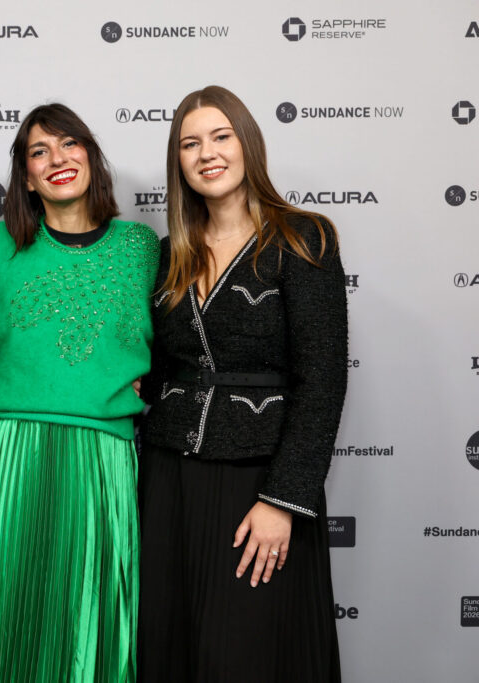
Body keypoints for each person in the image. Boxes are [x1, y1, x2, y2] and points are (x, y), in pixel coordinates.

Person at [138, 85, 347, 682]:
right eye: (190, 144)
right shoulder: (168, 254)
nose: (207, 153)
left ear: (247, 143)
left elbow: (323, 379)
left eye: (221, 136)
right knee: (168, 647)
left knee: (247, 656)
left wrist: (283, 501)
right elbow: (154, 369)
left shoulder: (303, 238)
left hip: (258, 481)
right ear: (178, 161)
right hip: (169, 480)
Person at [0, 103, 159, 682]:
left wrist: (149, 380)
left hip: (101, 453)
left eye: (69, 144)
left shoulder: (142, 247)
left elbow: (176, 340)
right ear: (27, 177)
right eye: (39, 152)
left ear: (91, 155)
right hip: (9, 450)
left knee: (85, 623)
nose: (57, 159)